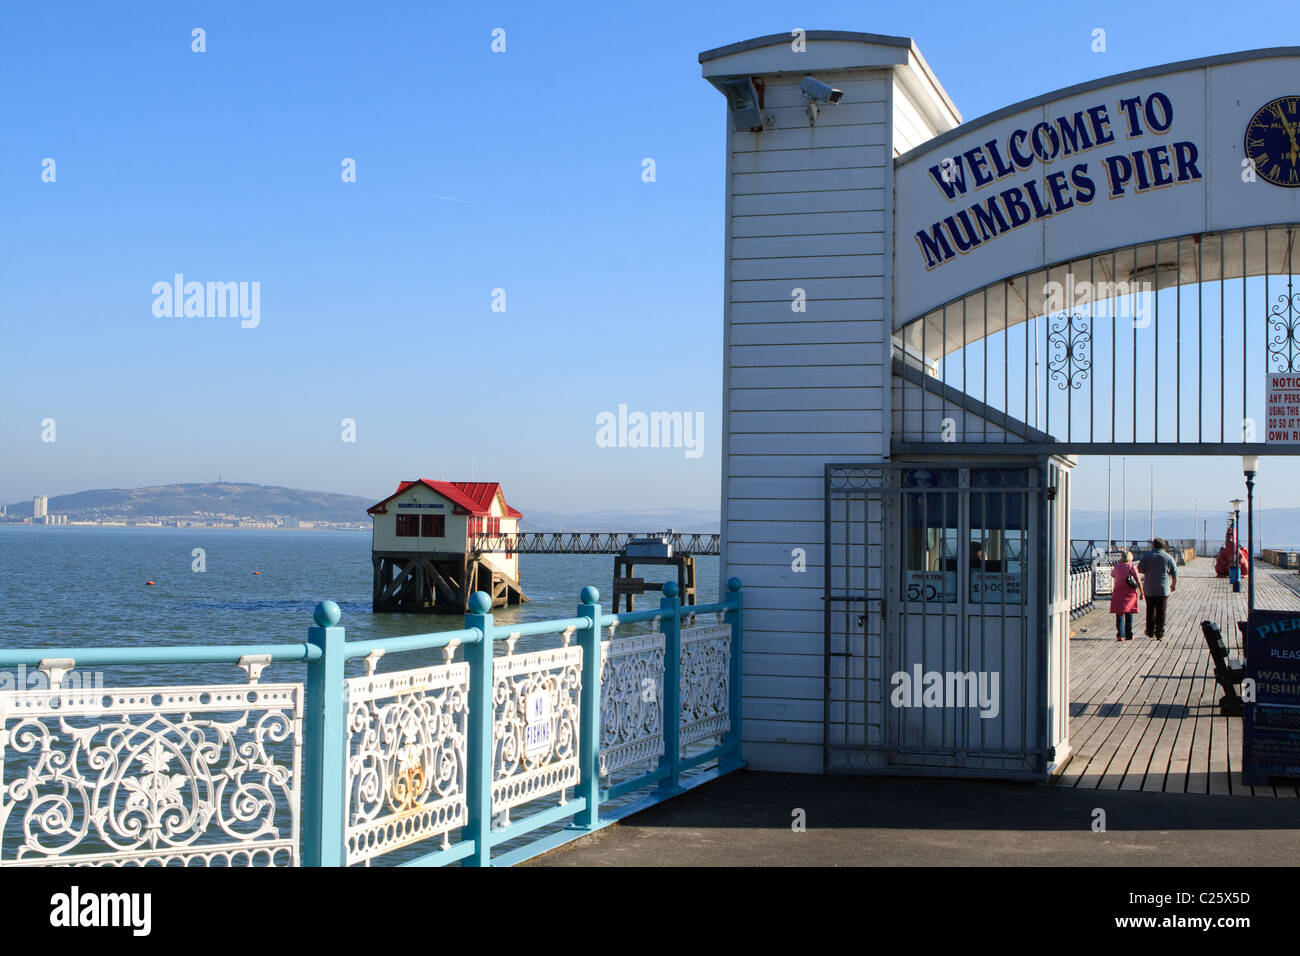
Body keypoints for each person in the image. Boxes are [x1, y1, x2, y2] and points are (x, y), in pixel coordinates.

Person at [1137, 538, 1178, 640]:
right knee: (1161, 611)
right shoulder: (1168, 557)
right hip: (1163, 589)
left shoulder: (1147, 556)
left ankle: (1150, 631)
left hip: (1149, 588)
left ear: (1153, 546)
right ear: (1163, 546)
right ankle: (1159, 633)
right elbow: (1174, 574)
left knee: (1150, 610)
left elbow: (1140, 570)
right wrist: (1173, 585)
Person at [1109, 550, 1143, 641]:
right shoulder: (1132, 567)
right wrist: (1141, 592)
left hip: (1118, 592)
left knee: (1119, 614)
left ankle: (1120, 635)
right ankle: (1129, 635)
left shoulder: (1116, 567)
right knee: (1129, 613)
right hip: (1130, 592)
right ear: (1131, 558)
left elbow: (1112, 575)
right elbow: (1138, 580)